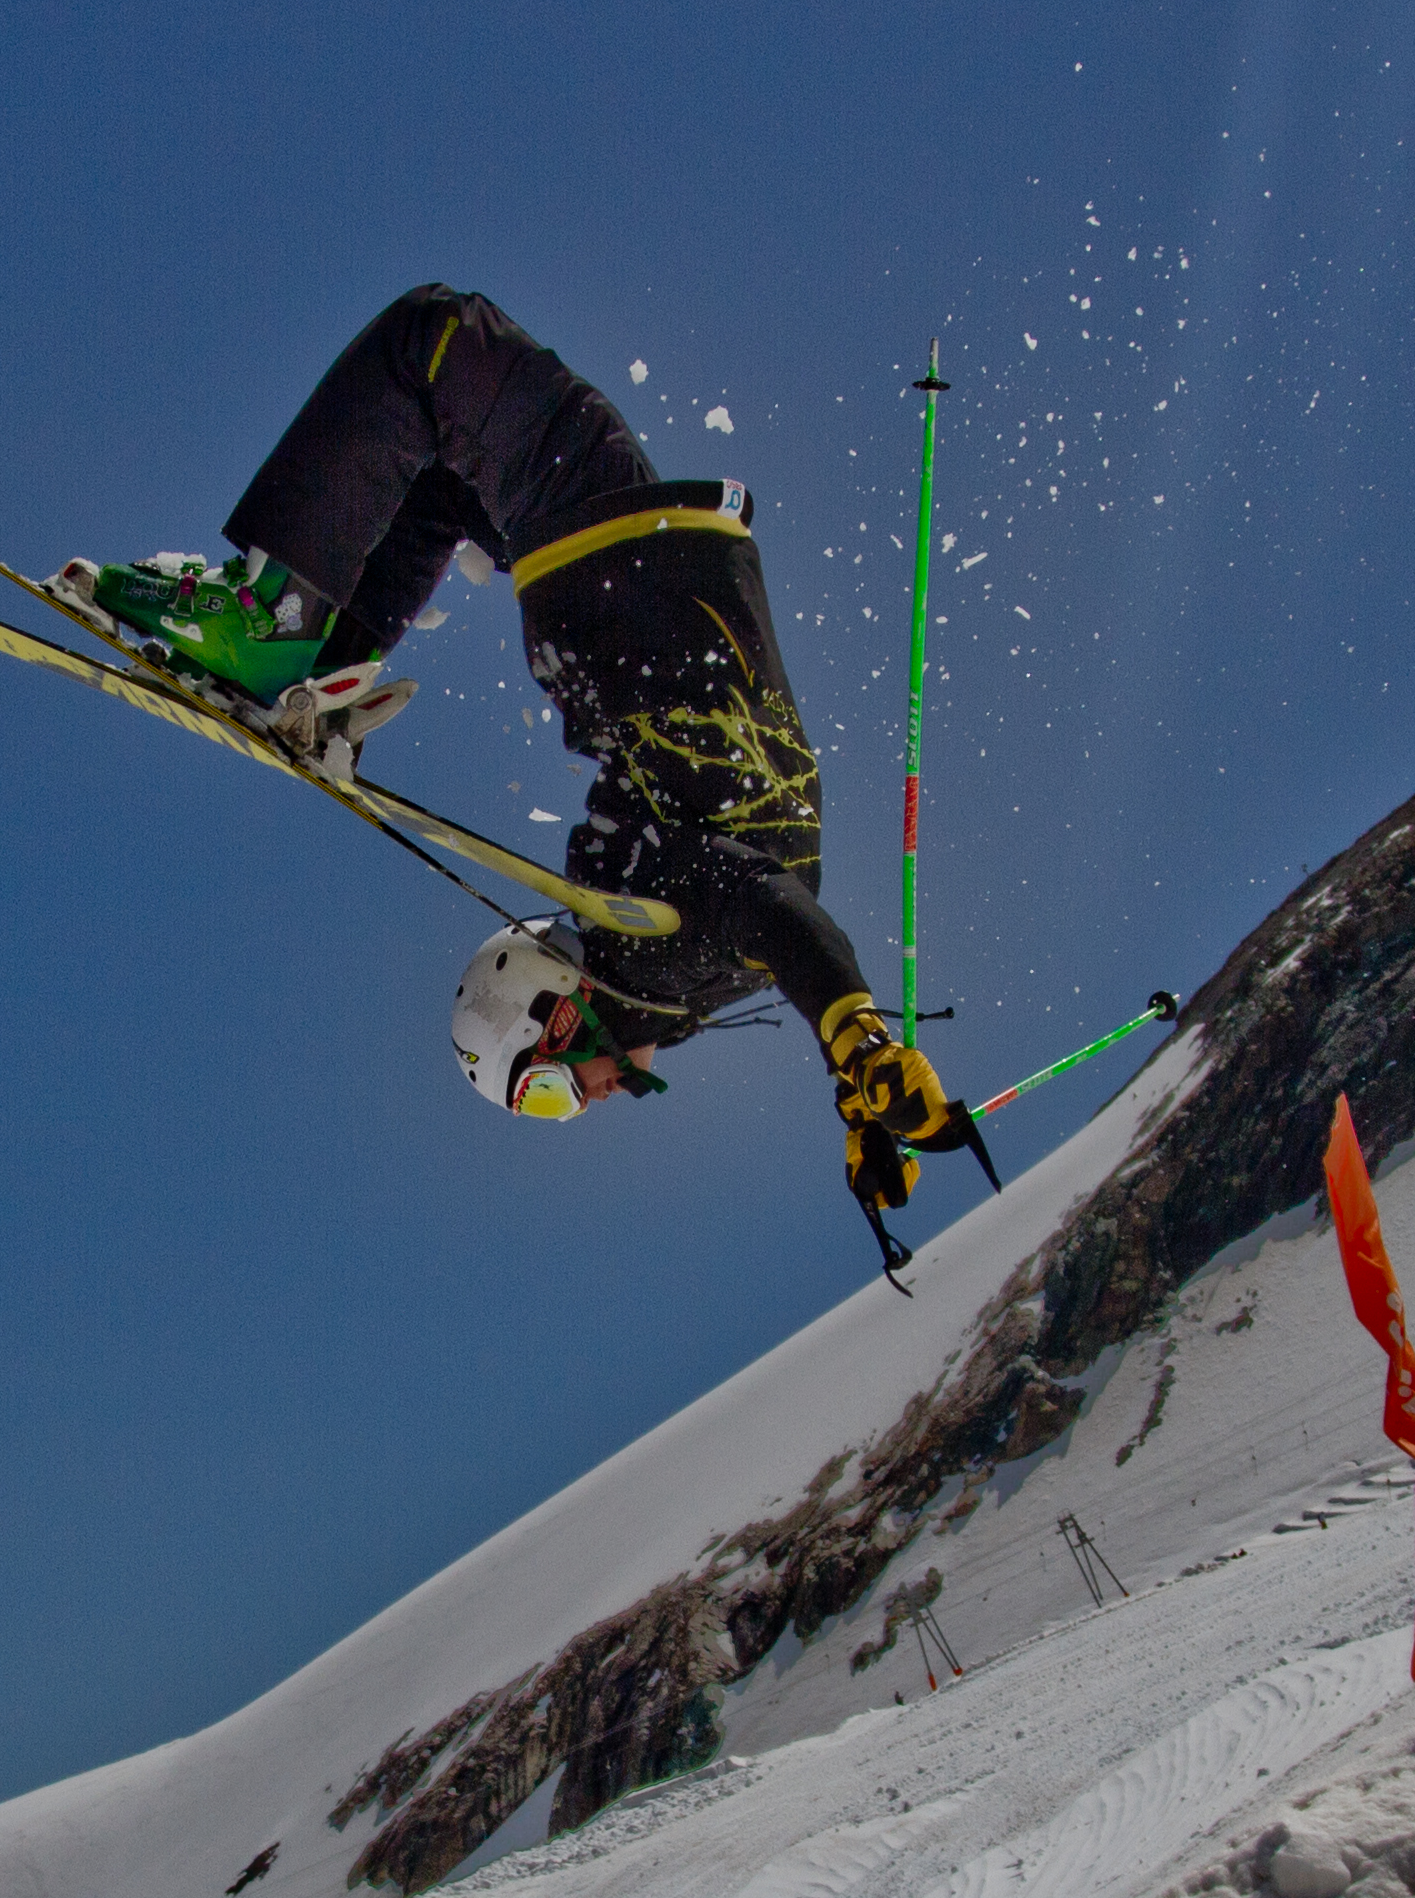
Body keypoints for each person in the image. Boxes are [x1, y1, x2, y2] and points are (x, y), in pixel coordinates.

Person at [64, 287, 974, 1226]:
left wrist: (853, 1053)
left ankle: (306, 648)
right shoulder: (667, 959)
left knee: (438, 409)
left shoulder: (649, 942)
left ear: (550, 1013)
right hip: (621, 567)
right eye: (546, 1104)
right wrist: (858, 1072)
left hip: (620, 568)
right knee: (431, 351)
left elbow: (772, 919)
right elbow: (774, 914)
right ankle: (290, 631)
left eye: (543, 1095)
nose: (581, 1105)